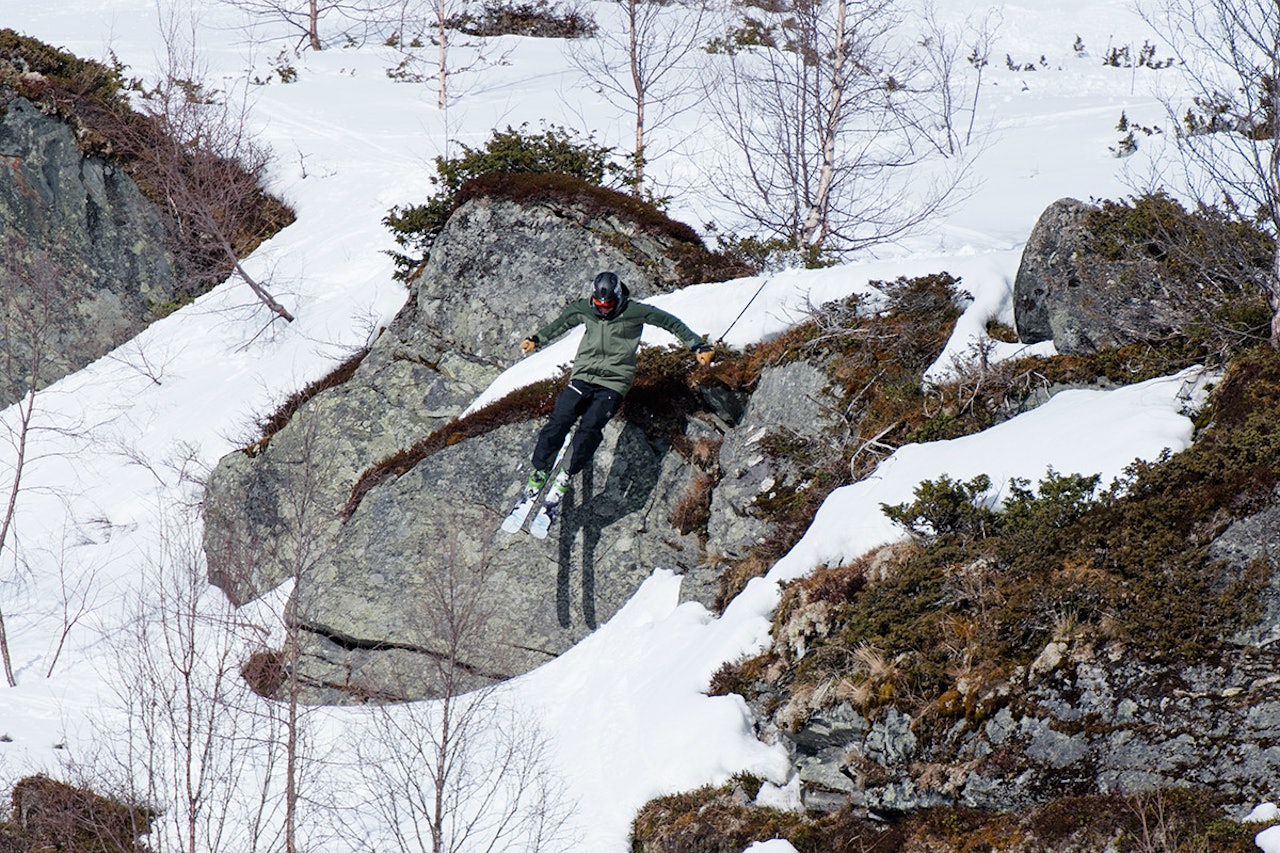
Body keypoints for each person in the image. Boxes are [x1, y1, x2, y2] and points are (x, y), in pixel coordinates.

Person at [516, 271, 714, 514]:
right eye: (599, 305)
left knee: (590, 428)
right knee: (559, 420)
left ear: (618, 297)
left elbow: (670, 322)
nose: (604, 310)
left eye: (608, 305)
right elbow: (563, 322)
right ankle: (540, 469)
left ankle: (566, 474)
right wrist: (537, 338)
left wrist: (697, 345)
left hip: (614, 383)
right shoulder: (585, 308)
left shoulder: (634, 311)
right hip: (583, 376)